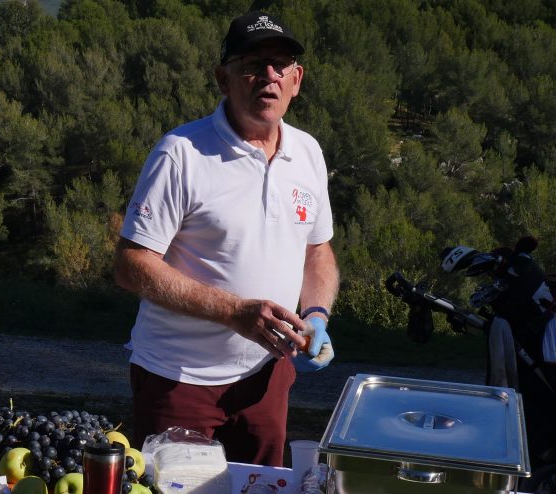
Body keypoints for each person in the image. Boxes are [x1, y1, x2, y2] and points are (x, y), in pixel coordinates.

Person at [114, 11, 338, 467]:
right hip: (179, 379)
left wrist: (316, 315)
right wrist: (233, 312)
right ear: (224, 78)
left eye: (280, 65)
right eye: (253, 65)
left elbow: (318, 252)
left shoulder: (308, 153)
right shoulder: (181, 153)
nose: (268, 78)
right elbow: (131, 264)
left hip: (267, 379)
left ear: (297, 80)